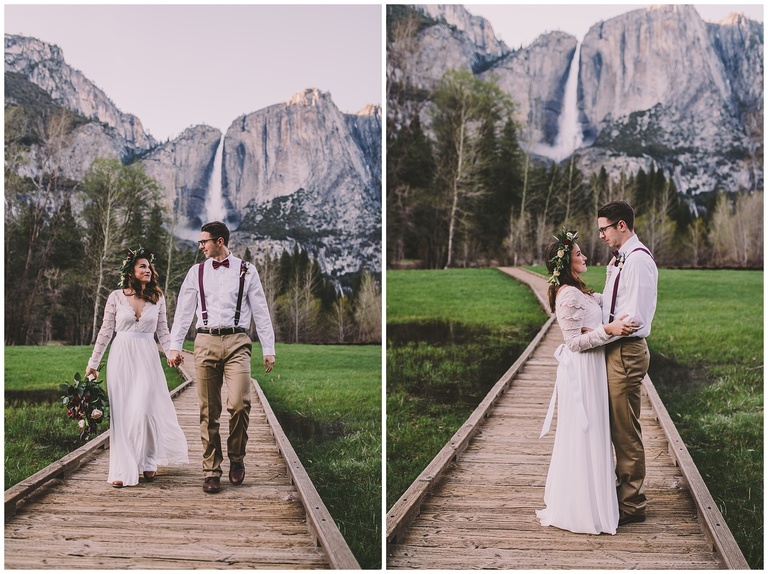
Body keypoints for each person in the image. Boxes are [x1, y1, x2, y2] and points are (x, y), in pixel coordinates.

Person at [537, 229, 638, 535]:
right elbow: (572, 342)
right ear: (566, 262)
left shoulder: (578, 291)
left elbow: (605, 302)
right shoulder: (567, 295)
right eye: (579, 253)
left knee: (596, 432)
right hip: (582, 372)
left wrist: (616, 268)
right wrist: (609, 331)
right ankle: (580, 507)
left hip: (594, 369)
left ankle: (596, 501)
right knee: (585, 434)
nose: (584, 256)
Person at [168, 221, 276, 494]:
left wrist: (269, 348)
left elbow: (261, 311)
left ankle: (237, 458)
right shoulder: (196, 272)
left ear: (219, 241)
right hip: (204, 341)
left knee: (240, 403)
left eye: (204, 241)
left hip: (238, 341)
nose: (200, 246)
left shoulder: (247, 270)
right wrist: (174, 346)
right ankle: (212, 470)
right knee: (209, 411)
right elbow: (183, 311)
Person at [86, 247, 189, 488]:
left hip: (147, 357)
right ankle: (123, 468)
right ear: (130, 270)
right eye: (142, 266)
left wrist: (172, 351)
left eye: (149, 267)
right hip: (121, 357)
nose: (148, 270)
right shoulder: (115, 297)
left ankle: (148, 460)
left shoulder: (158, 298)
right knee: (123, 414)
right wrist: (93, 363)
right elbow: (105, 332)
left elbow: (163, 330)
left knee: (144, 410)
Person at [597, 200, 658, 526]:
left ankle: (632, 505)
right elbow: (612, 305)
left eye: (604, 229)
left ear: (622, 225)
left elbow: (631, 318)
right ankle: (619, 495)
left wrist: (597, 333)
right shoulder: (622, 260)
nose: (602, 236)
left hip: (625, 351)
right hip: (614, 348)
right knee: (614, 424)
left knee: (625, 430)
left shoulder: (637, 262)